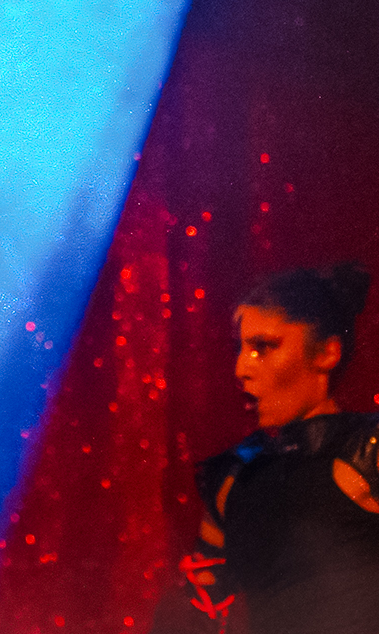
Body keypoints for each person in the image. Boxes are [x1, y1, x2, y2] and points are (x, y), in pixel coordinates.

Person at [155, 264, 379, 633]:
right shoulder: (232, 476)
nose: (241, 368)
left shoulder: (368, 451)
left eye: (263, 347)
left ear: (326, 353)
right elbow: (199, 611)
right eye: (239, 349)